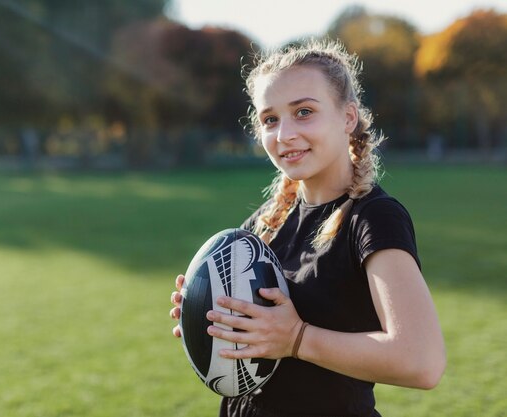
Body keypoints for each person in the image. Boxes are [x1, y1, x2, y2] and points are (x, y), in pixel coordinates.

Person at [169, 39, 446, 417]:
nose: (284, 135)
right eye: (270, 119)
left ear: (348, 118)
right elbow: (254, 338)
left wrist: (296, 338)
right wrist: (208, 315)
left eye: (303, 112)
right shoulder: (266, 222)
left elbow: (422, 361)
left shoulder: (373, 219)